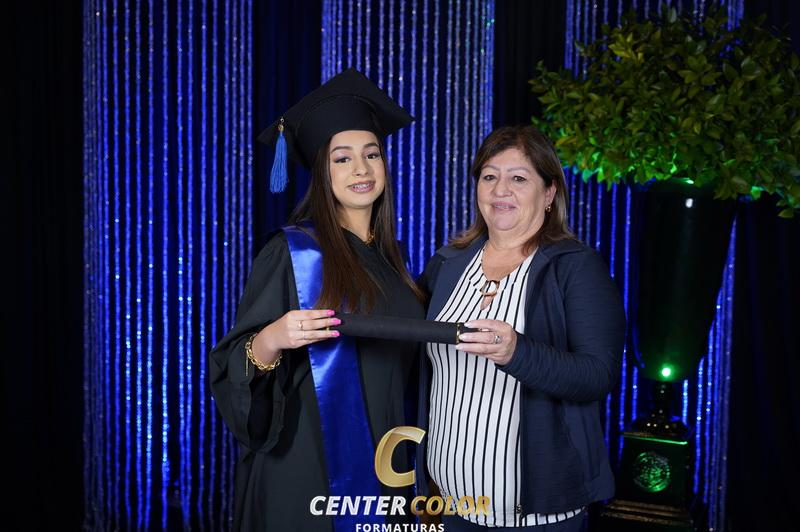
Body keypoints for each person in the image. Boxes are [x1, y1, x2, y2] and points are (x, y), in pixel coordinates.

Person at [209, 68, 425, 531]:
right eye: (342, 158)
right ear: (322, 172)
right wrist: (272, 337)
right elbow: (232, 365)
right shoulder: (295, 253)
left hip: (386, 462)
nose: (361, 169)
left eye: (372, 154)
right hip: (308, 467)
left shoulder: (396, 261)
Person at [416, 125, 626, 531]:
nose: (500, 190)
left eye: (518, 178)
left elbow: (597, 375)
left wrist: (517, 352)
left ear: (549, 193)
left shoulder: (576, 267)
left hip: (538, 517)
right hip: (451, 507)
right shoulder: (446, 264)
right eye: (489, 176)